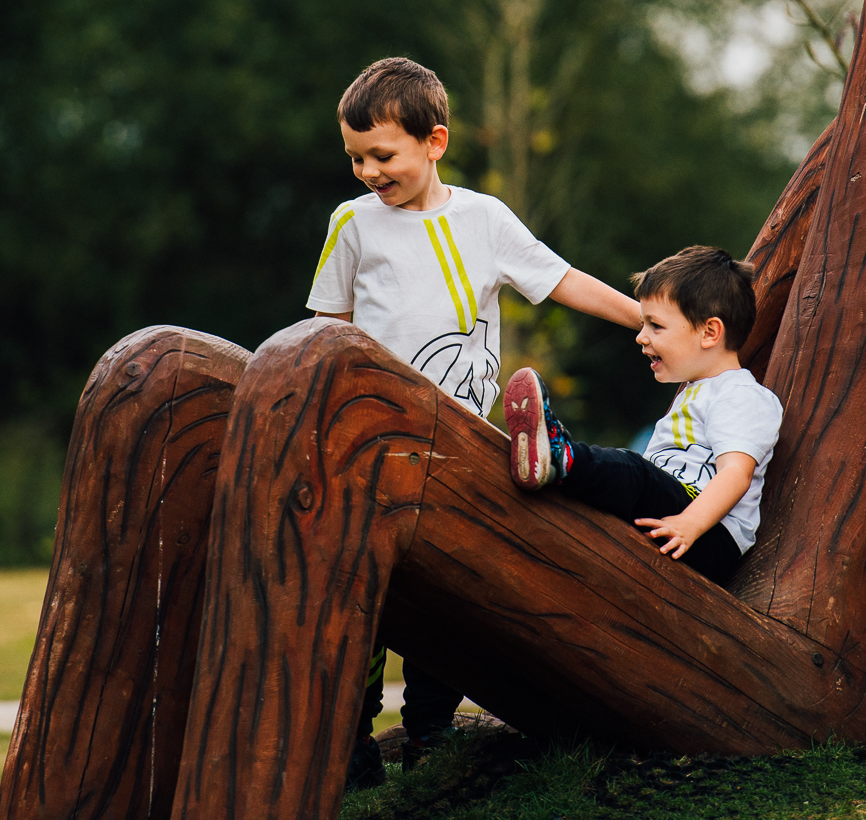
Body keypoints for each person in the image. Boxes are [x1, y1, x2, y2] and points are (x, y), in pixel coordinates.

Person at [308, 56, 641, 785]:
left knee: (445, 590)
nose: (368, 171)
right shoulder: (352, 223)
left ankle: (429, 733)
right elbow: (326, 331)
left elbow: (559, 278)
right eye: (355, 157)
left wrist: (642, 317)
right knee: (369, 590)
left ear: (435, 141)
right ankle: (353, 741)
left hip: (457, 445)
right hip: (373, 442)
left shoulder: (484, 219)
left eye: (382, 155)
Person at [502, 245, 782, 589]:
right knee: (631, 478)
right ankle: (550, 464)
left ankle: (561, 457)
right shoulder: (695, 391)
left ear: (710, 333)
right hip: (678, 513)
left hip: (711, 534)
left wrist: (690, 524)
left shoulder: (742, 395)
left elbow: (736, 473)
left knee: (636, 472)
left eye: (656, 326)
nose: (641, 336)